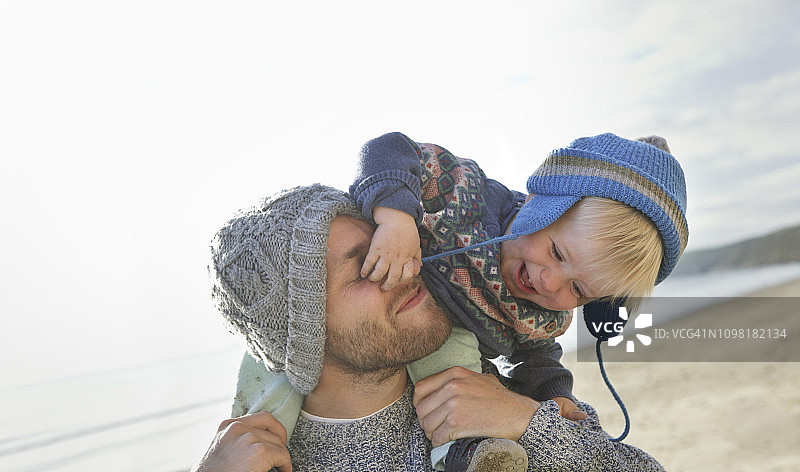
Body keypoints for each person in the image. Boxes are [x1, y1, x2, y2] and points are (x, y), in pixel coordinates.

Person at [255, 132, 689, 469]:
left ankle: (471, 458)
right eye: (556, 253)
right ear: (543, 200)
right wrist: (395, 219)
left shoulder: (533, 328)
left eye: (579, 291)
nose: (550, 283)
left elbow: (539, 358)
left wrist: (546, 407)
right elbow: (390, 150)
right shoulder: (463, 196)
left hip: (459, 381)